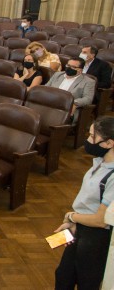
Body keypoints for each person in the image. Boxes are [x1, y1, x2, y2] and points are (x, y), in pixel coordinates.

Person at [54, 116, 114, 290]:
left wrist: (71, 216)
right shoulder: (100, 162)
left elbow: (100, 220)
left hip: (95, 237)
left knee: (87, 282)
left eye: (92, 136)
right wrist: (73, 223)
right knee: (63, 275)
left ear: (109, 143)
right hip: (80, 226)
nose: (88, 140)